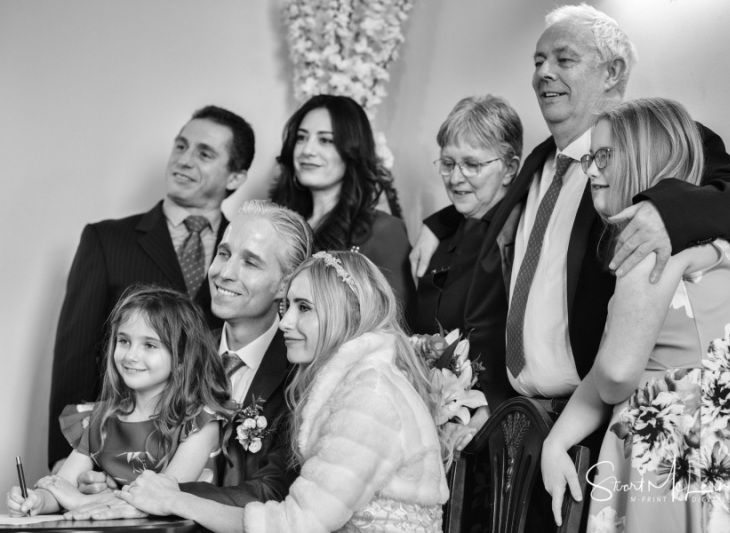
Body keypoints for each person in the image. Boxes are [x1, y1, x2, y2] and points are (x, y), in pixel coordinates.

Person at [411, 4, 730, 424]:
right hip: (514, 418)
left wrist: (666, 211)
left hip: (601, 416)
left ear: (613, 71)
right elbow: (481, 196)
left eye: (564, 59)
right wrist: (436, 224)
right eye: (538, 61)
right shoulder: (536, 164)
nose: (544, 72)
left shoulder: (654, 148)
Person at [542, 97, 730, 532]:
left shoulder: (650, 249)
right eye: (589, 158)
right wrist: (556, 442)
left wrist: (609, 373)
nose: (592, 170)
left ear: (646, 158)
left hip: (675, 452)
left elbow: (616, 373)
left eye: (604, 156)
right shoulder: (714, 245)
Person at [114, 251, 449, 533]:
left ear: (350, 314)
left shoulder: (369, 395)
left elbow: (296, 524)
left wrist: (176, 499)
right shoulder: (358, 381)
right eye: (286, 307)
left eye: (304, 308)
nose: (285, 322)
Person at [64, 200, 314, 519]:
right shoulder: (174, 352)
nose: (224, 273)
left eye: (250, 263)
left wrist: (156, 497)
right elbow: (129, 437)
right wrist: (104, 482)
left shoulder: (302, 374)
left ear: (285, 284)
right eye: (223, 254)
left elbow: (273, 492)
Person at [49, 105, 255, 468]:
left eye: (204, 153)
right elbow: (75, 356)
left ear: (236, 177)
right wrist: (61, 462)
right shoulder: (106, 240)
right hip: (112, 455)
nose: (184, 160)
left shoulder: (249, 254)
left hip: (212, 458)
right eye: (180, 146)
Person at [8, 286, 234, 515]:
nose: (131, 355)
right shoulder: (100, 419)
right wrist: (37, 499)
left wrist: (81, 502)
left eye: (149, 345)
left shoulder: (200, 422)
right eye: (124, 341)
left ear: (181, 359)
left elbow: (163, 501)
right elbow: (61, 488)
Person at [415, 94, 522, 447]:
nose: (456, 177)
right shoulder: (448, 232)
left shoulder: (519, 239)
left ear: (510, 168)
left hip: (489, 427)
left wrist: (487, 406)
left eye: (471, 165)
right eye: (448, 163)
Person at [271, 94, 416, 322]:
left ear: (352, 150)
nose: (307, 150)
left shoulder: (384, 231)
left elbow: (393, 327)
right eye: (301, 137)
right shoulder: (276, 223)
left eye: (325, 140)